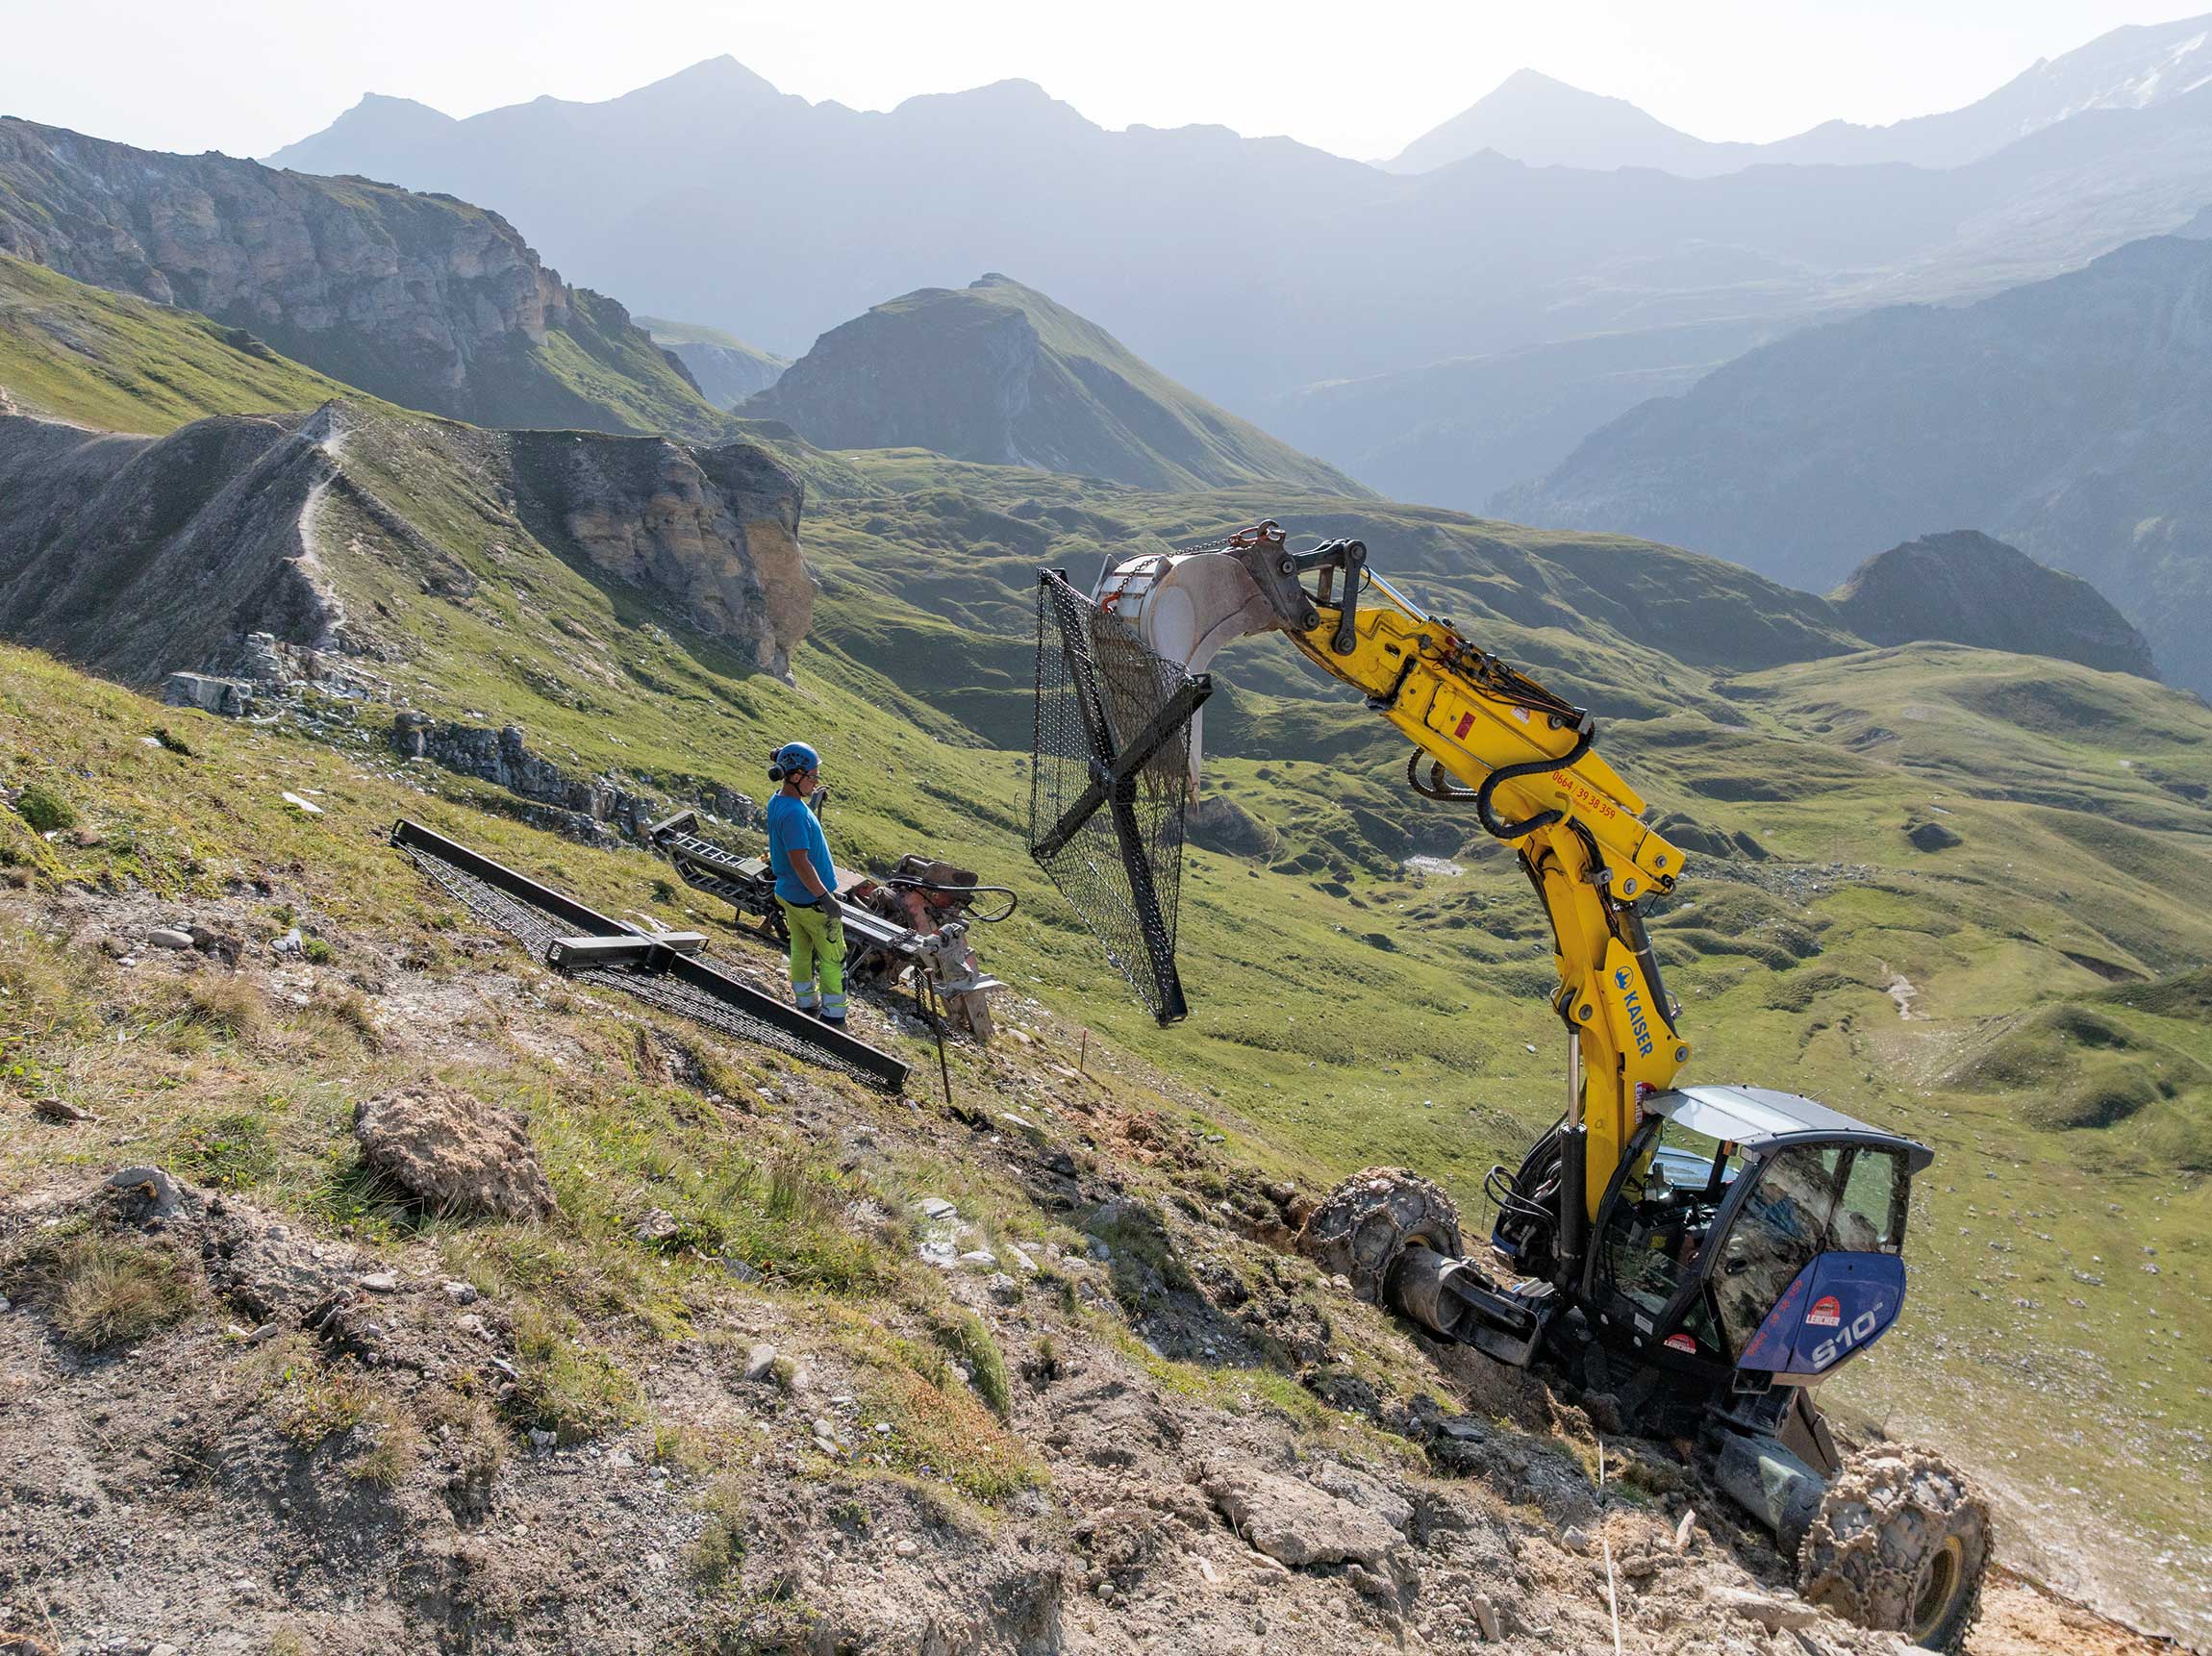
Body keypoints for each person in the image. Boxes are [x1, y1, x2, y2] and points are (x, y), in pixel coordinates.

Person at [765, 741, 846, 1027]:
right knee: (833, 957)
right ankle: (834, 1017)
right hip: (810, 899)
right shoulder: (795, 814)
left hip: (788, 893)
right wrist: (825, 897)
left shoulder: (780, 802)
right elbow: (800, 861)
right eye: (812, 776)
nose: (816, 781)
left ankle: (805, 1002)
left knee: (801, 949)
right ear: (795, 776)